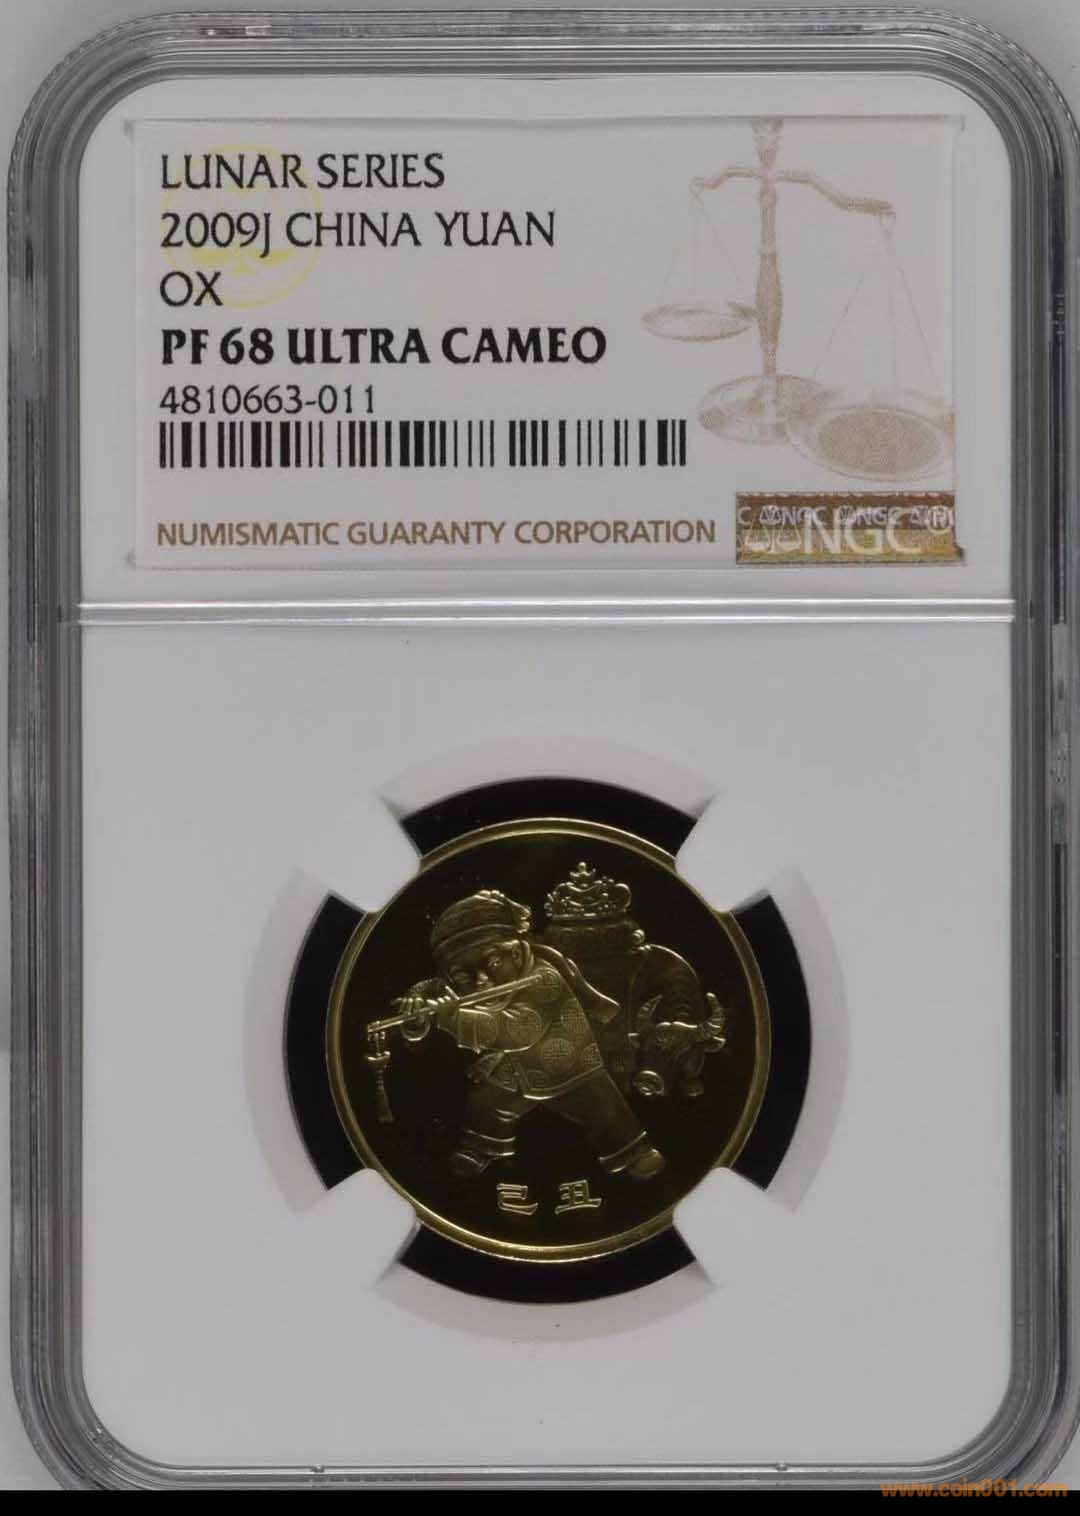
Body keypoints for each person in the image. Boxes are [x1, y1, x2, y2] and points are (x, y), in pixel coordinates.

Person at [398, 888, 666, 1181]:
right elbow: (432, 991)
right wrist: (416, 1014)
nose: (480, 981)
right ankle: (482, 1147)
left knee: (604, 1110)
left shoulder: (543, 979)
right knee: (486, 1102)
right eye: (463, 975)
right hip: (517, 1071)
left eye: (493, 963)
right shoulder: (467, 978)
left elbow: (517, 1031)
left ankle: (634, 1153)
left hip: (570, 1067)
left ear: (515, 951)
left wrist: (452, 1018)